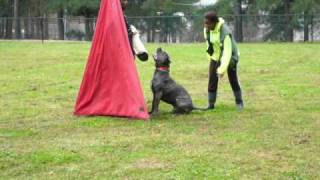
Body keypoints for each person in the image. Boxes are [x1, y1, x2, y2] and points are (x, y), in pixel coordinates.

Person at [203, 11, 244, 110]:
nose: (206, 25)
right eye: (205, 23)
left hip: (230, 56)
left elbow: (227, 53)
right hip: (216, 56)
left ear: (214, 22)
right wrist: (211, 56)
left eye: (208, 23)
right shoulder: (207, 30)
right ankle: (211, 104)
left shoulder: (225, 33)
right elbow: (209, 43)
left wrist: (221, 70)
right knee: (212, 79)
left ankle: (239, 102)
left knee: (233, 79)